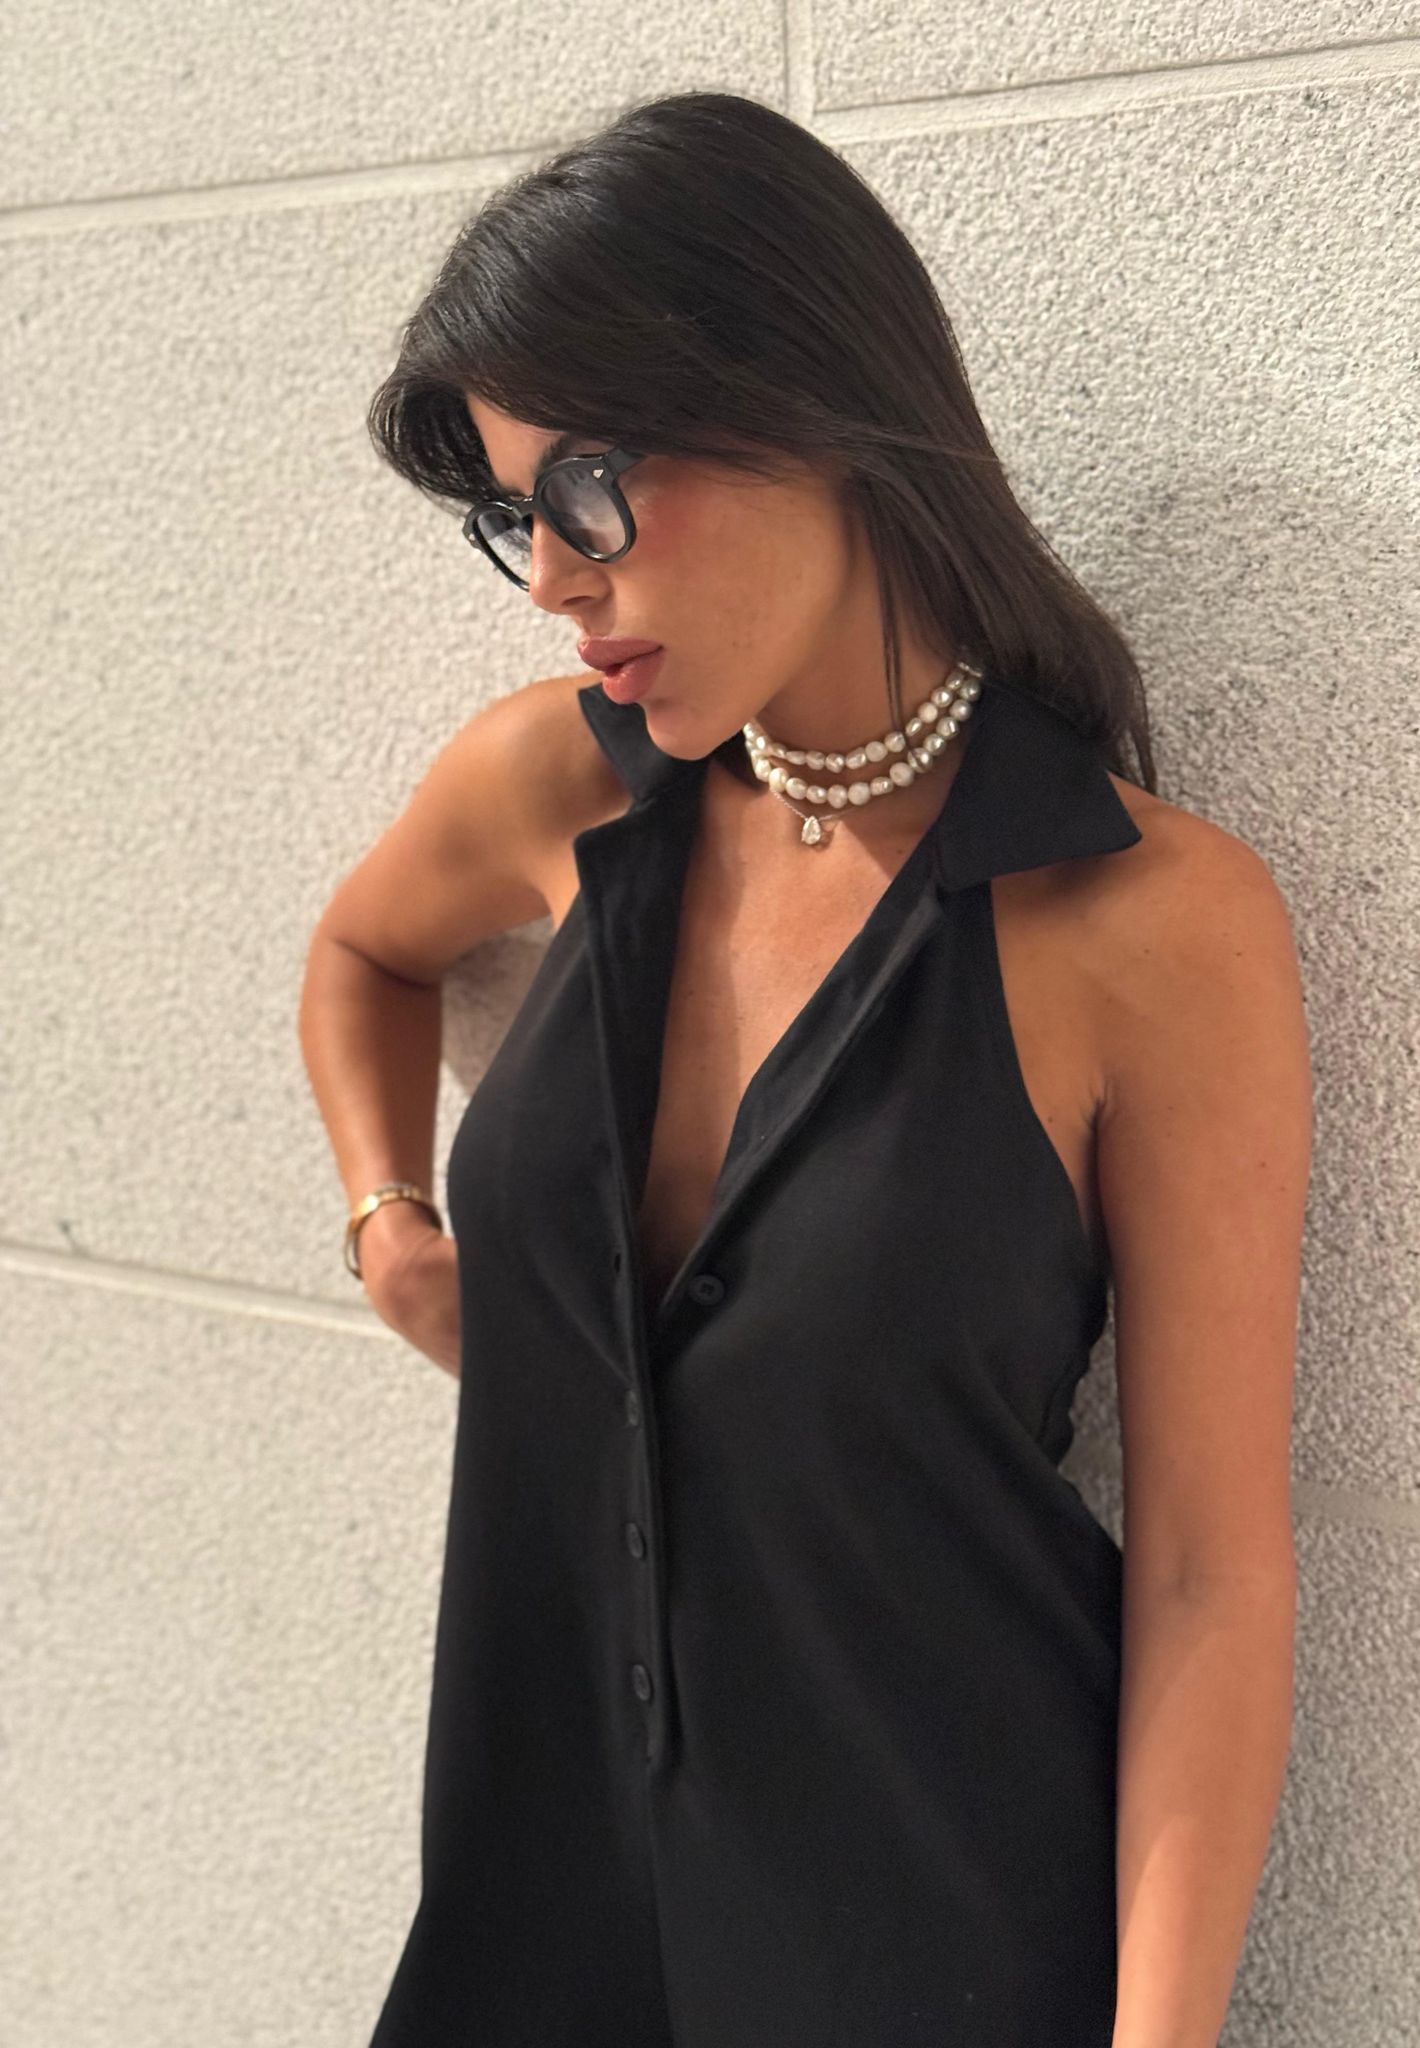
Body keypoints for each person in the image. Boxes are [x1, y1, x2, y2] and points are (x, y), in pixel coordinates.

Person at [298, 89, 1311, 2048]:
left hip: (934, 1944)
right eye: (516, 516)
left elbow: (1210, 1576)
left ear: (810, 401)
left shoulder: (1144, 923)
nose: (552, 577)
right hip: (530, 1926)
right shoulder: (562, 786)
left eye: (592, 485)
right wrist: (390, 1219)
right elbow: (362, 953)